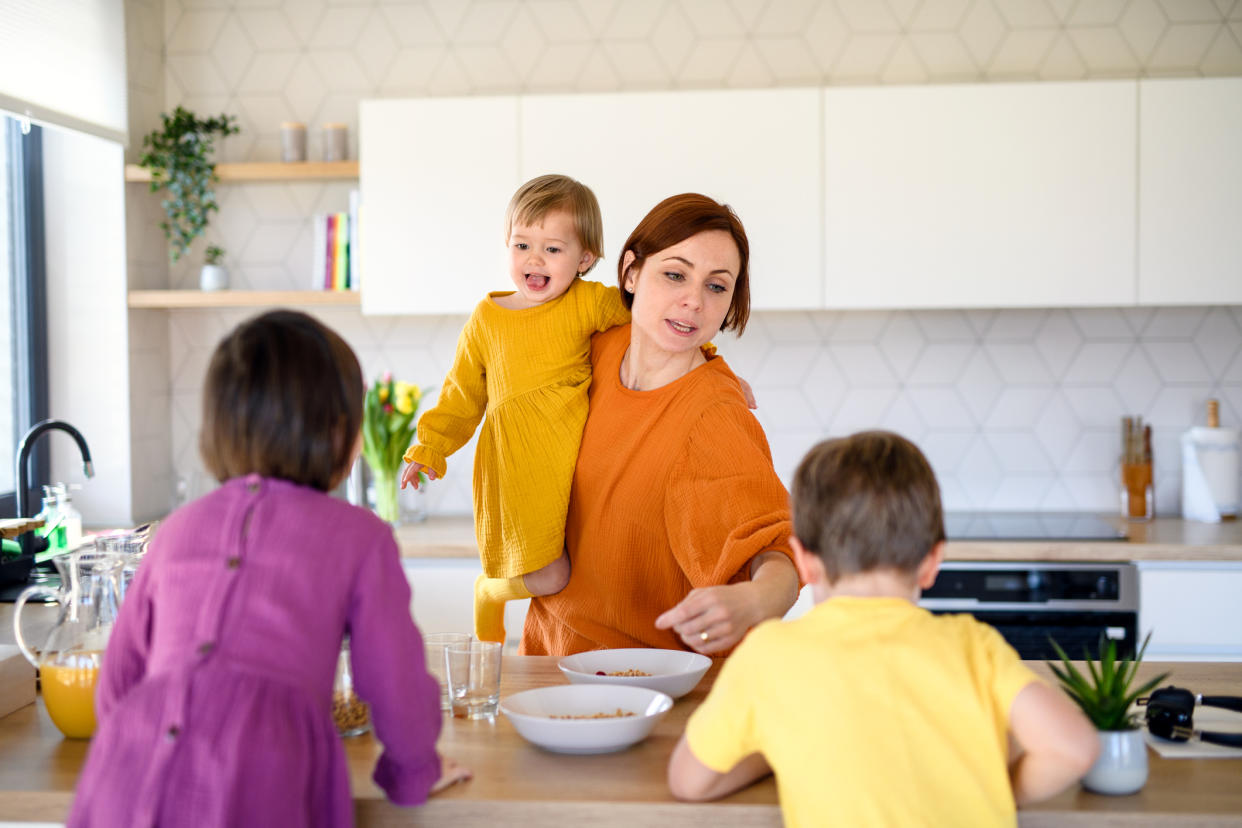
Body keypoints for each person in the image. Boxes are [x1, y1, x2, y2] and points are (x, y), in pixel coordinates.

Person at [68, 311, 470, 828]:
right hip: (262, 773)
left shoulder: (175, 530)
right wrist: (415, 771)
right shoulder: (360, 537)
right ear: (340, 430)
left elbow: (118, 684)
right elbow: (396, 683)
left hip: (126, 771)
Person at [667, 431, 1100, 826]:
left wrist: (775, 748)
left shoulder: (768, 654)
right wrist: (999, 793)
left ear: (805, 562)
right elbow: (1073, 749)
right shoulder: (974, 645)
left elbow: (690, 782)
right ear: (932, 562)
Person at [521, 193, 800, 657]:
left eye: (716, 286)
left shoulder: (714, 413)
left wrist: (755, 600)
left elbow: (777, 546)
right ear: (631, 271)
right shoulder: (587, 349)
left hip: (652, 691)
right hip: (547, 670)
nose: (693, 301)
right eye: (675, 274)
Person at [400, 174, 630, 644]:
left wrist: (710, 359)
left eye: (552, 249)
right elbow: (461, 396)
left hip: (577, 466)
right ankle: (489, 592)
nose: (534, 259)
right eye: (522, 244)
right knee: (552, 575)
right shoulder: (487, 319)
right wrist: (428, 447)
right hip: (521, 468)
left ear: (585, 259)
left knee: (590, 567)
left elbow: (652, 317)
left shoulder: (587, 302)